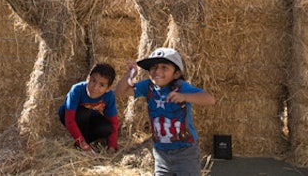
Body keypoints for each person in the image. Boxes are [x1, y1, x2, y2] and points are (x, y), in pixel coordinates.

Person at [115, 47, 215, 176]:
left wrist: (185, 97)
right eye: (154, 67)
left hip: (185, 152)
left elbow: (209, 99)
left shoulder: (180, 87)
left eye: (164, 67)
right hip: (161, 152)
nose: (158, 71)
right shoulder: (148, 86)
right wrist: (129, 75)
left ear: (176, 74)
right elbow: (120, 92)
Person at [58, 62, 119, 154]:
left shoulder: (109, 96)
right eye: (93, 81)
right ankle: (81, 144)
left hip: (90, 118)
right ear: (88, 78)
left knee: (107, 128)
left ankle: (85, 142)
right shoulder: (77, 90)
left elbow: (113, 122)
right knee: (84, 113)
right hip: (72, 116)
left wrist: (112, 146)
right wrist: (83, 144)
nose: (95, 87)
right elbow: (69, 120)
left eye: (101, 85)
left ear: (107, 88)